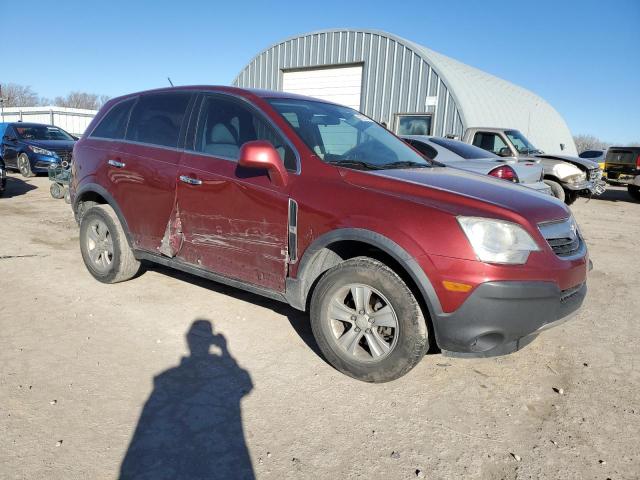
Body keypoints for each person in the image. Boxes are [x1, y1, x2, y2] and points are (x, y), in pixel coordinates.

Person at [120, 320, 254, 479]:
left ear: (188, 339)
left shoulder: (166, 378)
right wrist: (225, 351)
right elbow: (246, 384)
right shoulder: (167, 378)